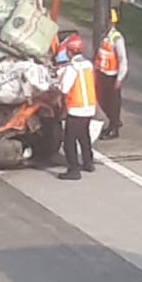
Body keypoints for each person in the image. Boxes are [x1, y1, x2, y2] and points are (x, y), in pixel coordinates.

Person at [56, 34, 97, 180]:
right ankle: (88, 162)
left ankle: (73, 170)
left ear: (69, 51)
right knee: (84, 136)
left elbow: (64, 88)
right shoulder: (88, 65)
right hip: (89, 106)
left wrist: (59, 78)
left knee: (69, 141)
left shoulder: (72, 68)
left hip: (76, 108)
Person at [95, 7, 128, 139]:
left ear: (112, 22)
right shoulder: (105, 36)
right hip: (102, 73)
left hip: (112, 76)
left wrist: (119, 78)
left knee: (112, 102)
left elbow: (122, 59)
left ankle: (114, 127)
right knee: (102, 99)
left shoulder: (117, 38)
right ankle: (114, 121)